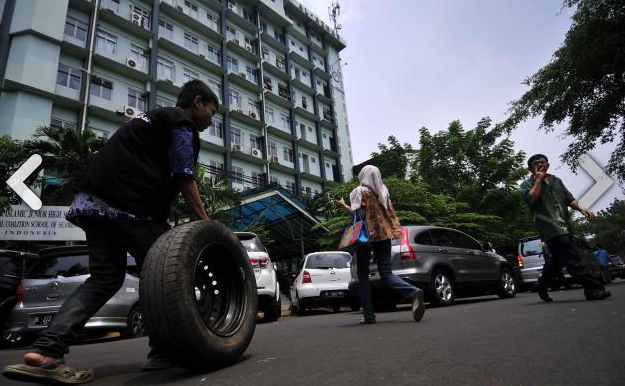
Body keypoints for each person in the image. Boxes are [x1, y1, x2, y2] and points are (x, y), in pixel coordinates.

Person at [3, 80, 217, 384]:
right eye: (212, 111)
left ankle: (46, 352)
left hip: (92, 203)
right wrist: (206, 222)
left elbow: (143, 165)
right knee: (165, 273)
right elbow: (184, 174)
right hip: (125, 206)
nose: (211, 119)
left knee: (105, 278)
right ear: (197, 102)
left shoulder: (151, 118)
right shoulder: (181, 124)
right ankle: (164, 350)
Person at [335, 165, 425, 324]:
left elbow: (359, 215)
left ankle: (369, 316)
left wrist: (344, 206)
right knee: (386, 273)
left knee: (362, 275)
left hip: (366, 237)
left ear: (363, 176)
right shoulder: (384, 192)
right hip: (384, 236)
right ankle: (412, 292)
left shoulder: (359, 191)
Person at [520, 154, 611, 302]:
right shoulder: (526, 184)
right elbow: (531, 199)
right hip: (550, 229)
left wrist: (582, 209)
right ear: (530, 168)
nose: (541, 165)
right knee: (576, 259)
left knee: (555, 263)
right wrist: (538, 179)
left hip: (565, 228)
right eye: (536, 164)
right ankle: (593, 290)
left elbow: (570, 199)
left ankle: (541, 286)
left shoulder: (557, 181)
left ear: (548, 165)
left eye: (543, 163)